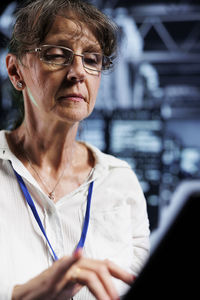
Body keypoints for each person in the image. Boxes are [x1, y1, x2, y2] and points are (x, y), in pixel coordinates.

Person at [0, 0, 150, 299]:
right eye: (57, 55)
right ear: (16, 72)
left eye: (92, 60)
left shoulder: (121, 182)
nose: (78, 72)